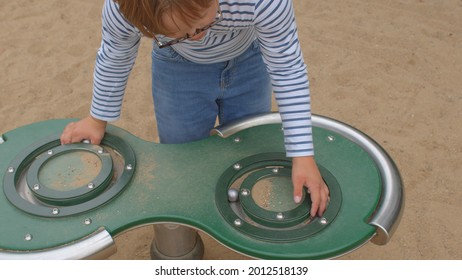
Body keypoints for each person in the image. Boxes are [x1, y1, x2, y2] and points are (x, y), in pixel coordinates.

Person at [60, 0, 329, 257]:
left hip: (250, 58)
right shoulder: (124, 8)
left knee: (249, 149)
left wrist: (302, 155)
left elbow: (287, 68)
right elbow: (116, 52)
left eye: (201, 26)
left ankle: (249, 231)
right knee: (181, 157)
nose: (196, 37)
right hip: (177, 67)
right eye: (176, 33)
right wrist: (97, 119)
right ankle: (182, 244)